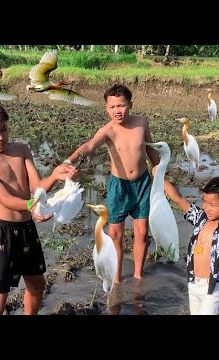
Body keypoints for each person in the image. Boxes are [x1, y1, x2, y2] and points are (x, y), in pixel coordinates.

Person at [0, 101, 77, 315]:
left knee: (37, 285)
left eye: (4, 130)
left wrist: (55, 175)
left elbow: (37, 188)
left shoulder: (22, 150)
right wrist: (32, 204)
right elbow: (5, 198)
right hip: (1, 233)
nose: (1, 138)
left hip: (26, 228)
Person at [64, 84, 160, 283]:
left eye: (121, 105)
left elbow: (150, 149)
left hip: (142, 184)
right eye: (112, 107)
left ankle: (138, 276)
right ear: (106, 108)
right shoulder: (108, 130)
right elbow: (89, 146)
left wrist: (159, 169)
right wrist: (69, 161)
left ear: (130, 104)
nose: (117, 111)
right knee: (115, 233)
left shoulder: (142, 123)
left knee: (141, 233)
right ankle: (116, 279)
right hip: (119, 186)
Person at [154, 171, 219, 315]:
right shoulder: (200, 218)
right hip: (193, 282)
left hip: (213, 287)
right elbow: (178, 198)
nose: (206, 207)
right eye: (204, 201)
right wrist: (160, 175)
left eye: (213, 204)